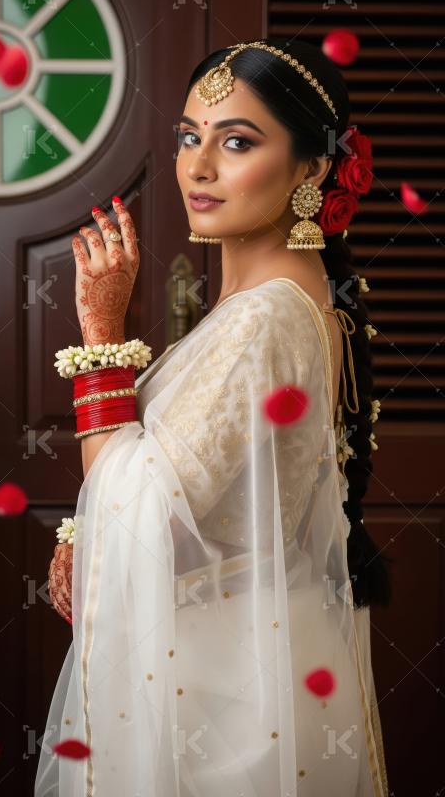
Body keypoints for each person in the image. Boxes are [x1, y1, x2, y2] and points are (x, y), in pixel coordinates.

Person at [36, 39, 392, 796]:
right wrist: (84, 536)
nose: (197, 167)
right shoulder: (277, 301)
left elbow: (143, 518)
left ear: (312, 170)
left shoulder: (264, 319)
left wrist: (100, 334)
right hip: (237, 661)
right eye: (188, 136)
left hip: (223, 691)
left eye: (236, 142)